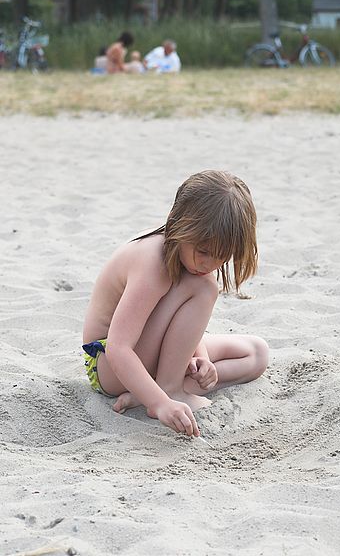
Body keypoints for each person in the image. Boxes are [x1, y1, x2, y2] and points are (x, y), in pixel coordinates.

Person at [82, 170, 269, 438]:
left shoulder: (192, 259)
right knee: (204, 287)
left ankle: (148, 391)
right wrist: (160, 404)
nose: (210, 264)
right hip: (108, 366)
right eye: (203, 252)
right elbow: (119, 348)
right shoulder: (151, 263)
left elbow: (179, 321)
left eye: (221, 256)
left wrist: (201, 358)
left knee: (256, 353)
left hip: (145, 355)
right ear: (179, 225)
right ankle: (166, 390)